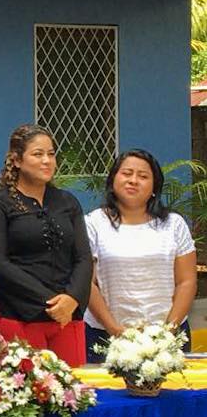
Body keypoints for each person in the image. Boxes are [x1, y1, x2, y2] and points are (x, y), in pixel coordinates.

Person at [0, 124, 92, 367]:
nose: (47, 161)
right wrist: (51, 301)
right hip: (19, 316)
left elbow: (83, 258)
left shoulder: (67, 202)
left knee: (72, 396)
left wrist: (72, 300)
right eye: (38, 154)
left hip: (66, 317)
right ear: (17, 160)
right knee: (24, 396)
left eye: (51, 154)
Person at [84, 149, 196, 362]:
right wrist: (116, 331)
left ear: (154, 187)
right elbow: (87, 283)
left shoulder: (173, 224)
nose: (133, 180)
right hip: (105, 336)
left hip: (168, 338)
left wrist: (167, 333)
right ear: (113, 180)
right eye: (126, 173)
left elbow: (186, 281)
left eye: (143, 176)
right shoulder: (93, 223)